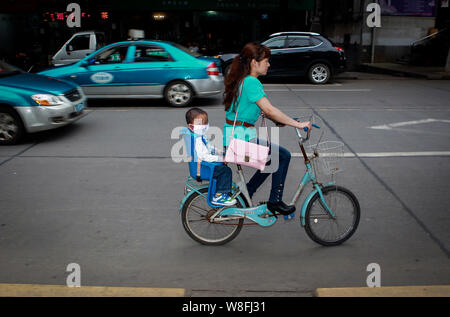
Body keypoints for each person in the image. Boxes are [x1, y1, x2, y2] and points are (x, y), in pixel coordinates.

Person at [223, 42, 311, 215]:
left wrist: (279, 120)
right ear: (254, 63)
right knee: (283, 156)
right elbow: (269, 109)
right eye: (266, 60)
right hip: (241, 141)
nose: (269, 64)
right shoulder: (251, 82)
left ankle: (247, 193)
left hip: (234, 138)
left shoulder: (241, 79)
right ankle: (274, 201)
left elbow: (260, 111)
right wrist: (299, 125)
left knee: (272, 159)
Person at [186, 107, 237, 206]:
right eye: (200, 124)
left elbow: (208, 147)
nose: (204, 126)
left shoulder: (199, 136)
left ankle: (223, 190)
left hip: (203, 166)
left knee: (223, 168)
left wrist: (217, 151)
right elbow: (203, 156)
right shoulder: (197, 139)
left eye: (206, 122)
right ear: (191, 126)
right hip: (204, 168)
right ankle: (219, 196)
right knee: (225, 171)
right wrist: (220, 158)